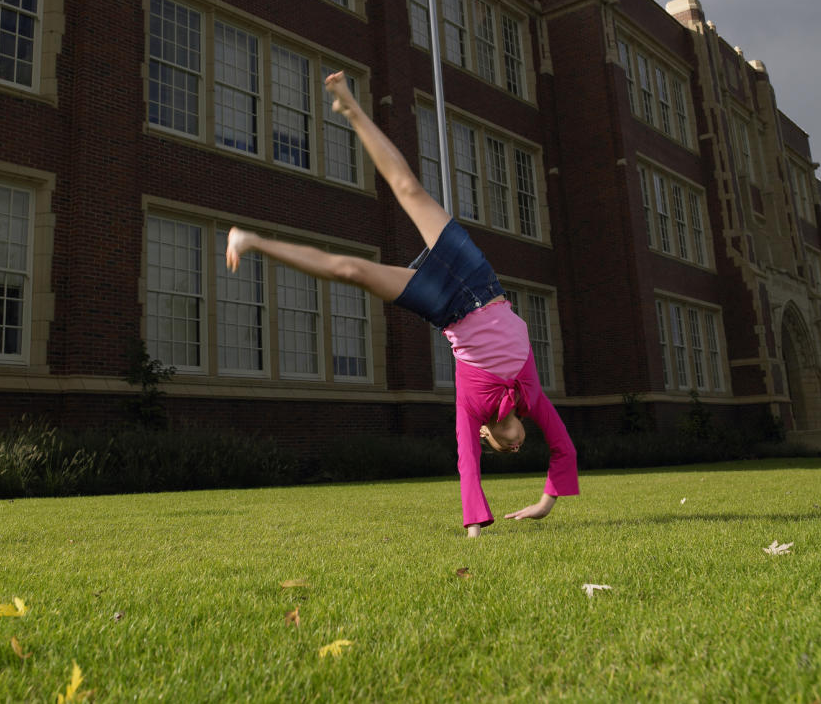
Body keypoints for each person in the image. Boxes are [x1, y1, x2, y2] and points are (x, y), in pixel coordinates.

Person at [226, 71, 578, 536]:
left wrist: (475, 527)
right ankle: (351, 106)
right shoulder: (532, 397)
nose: (515, 448)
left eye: (504, 450)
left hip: (446, 306)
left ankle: (253, 241)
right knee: (410, 188)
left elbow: (465, 462)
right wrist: (546, 504)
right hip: (480, 279)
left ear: (486, 435)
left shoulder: (471, 409)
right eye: (517, 448)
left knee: (351, 271)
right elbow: (564, 448)